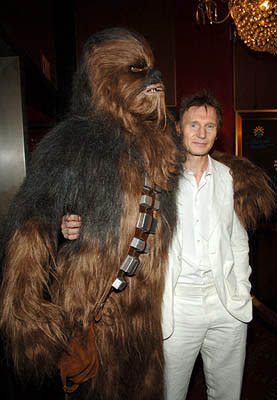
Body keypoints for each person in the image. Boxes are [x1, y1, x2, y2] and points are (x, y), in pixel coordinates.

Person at [62, 91, 275, 400]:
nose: (201, 133)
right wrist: (77, 226)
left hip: (226, 306)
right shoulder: (157, 179)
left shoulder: (231, 178)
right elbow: (119, 222)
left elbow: (238, 242)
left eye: (210, 126)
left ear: (218, 132)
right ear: (179, 128)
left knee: (228, 394)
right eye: (194, 125)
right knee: (169, 393)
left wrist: (241, 289)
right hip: (177, 308)